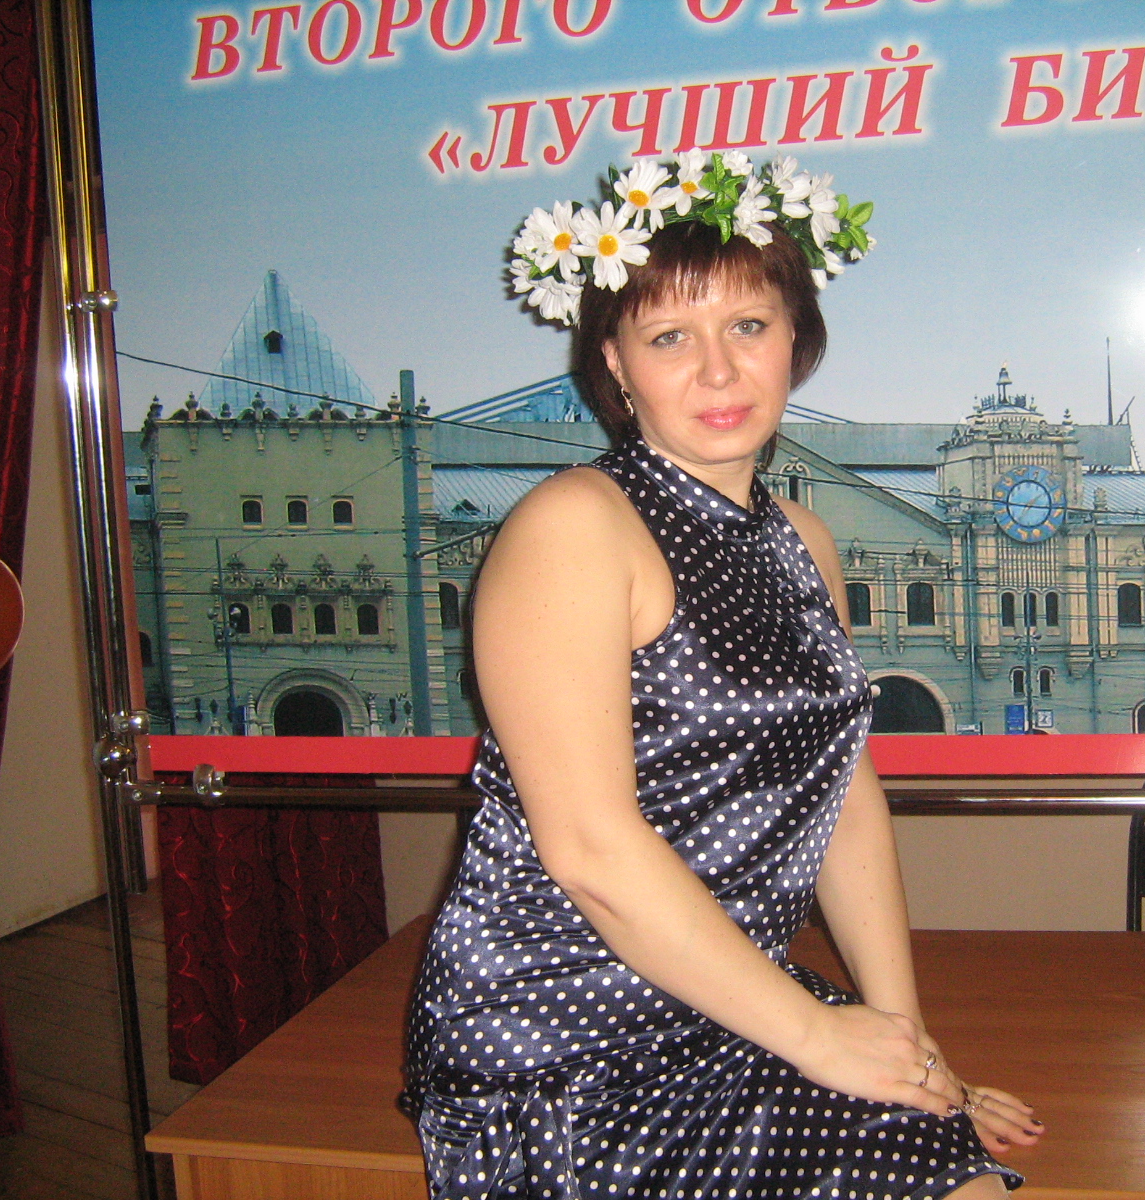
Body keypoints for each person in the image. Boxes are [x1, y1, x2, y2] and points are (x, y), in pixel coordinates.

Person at [403, 154, 1042, 1199]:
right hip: (566, 1039)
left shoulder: (804, 540)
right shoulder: (574, 526)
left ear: (796, 340)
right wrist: (819, 1039)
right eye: (669, 337)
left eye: (748, 325)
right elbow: (592, 850)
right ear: (614, 362)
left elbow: (844, 797)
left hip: (738, 1000)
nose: (718, 371)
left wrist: (907, 1049)